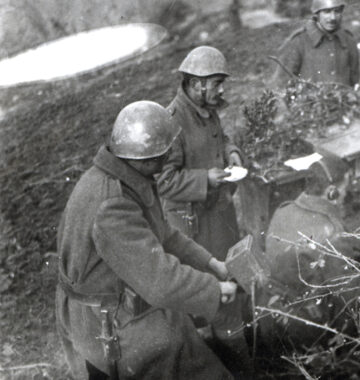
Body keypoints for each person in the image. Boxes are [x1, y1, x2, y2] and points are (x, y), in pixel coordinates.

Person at [55, 101, 238, 379]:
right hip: (105, 323)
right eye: (165, 155)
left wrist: (212, 264)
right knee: (199, 368)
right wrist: (214, 290)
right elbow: (159, 282)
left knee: (186, 335)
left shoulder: (121, 176)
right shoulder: (113, 204)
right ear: (146, 159)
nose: (168, 161)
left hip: (114, 303)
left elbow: (164, 235)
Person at [156, 46, 252, 377]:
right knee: (209, 296)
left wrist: (233, 152)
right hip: (193, 228)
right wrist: (206, 178)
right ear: (197, 84)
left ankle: (237, 350)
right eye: (217, 83)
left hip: (220, 216)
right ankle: (225, 363)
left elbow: (221, 139)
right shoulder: (171, 122)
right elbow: (164, 181)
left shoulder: (208, 110)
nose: (222, 90)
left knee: (232, 283)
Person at [260, 156, 360, 346]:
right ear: (331, 193)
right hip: (311, 326)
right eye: (345, 189)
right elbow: (351, 300)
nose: (346, 194)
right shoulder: (330, 233)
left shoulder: (283, 210)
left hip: (277, 310)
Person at [271, 0, 360, 88]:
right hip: (308, 101)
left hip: (341, 101)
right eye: (327, 12)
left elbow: (355, 80)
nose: (332, 17)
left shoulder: (348, 40)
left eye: (337, 11)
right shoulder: (299, 41)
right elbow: (281, 84)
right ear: (317, 14)